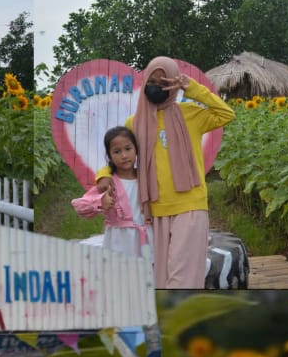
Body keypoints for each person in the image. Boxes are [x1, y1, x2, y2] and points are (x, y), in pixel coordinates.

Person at [95, 56, 234, 288]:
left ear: (173, 83)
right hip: (155, 210)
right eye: (152, 81)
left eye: (164, 82)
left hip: (190, 205)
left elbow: (227, 114)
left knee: (182, 277)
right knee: (161, 277)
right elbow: (120, 155)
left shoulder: (191, 113)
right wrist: (103, 174)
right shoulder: (135, 123)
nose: (157, 87)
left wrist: (194, 89)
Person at [72, 126, 151, 260]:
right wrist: (100, 201)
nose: (124, 156)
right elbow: (79, 206)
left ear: (136, 150)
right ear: (109, 156)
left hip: (147, 240)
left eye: (128, 149)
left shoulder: (145, 178)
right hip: (119, 242)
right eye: (117, 151)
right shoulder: (108, 184)